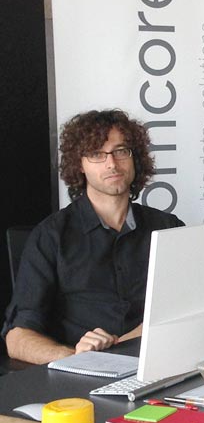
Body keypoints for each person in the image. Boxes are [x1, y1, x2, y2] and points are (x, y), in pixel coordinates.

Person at [2, 110, 184, 364]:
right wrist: (76, 358)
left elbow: (188, 307)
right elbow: (17, 339)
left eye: (121, 151)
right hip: (82, 376)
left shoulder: (168, 228)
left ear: (135, 158)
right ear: (79, 165)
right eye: (97, 154)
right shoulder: (51, 236)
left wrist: (130, 340)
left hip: (162, 361)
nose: (112, 164)